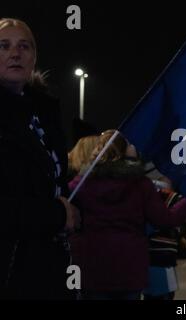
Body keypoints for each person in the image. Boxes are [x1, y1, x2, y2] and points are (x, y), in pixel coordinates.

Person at [0, 18, 80, 299]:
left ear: (34, 57)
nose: (15, 53)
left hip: (47, 266)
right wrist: (56, 214)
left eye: (24, 46)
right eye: (4, 45)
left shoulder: (43, 113)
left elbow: (50, 184)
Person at [69, 130, 186, 300]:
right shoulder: (140, 185)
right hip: (130, 271)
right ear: (123, 150)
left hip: (91, 269)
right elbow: (165, 220)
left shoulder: (80, 184)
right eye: (130, 144)